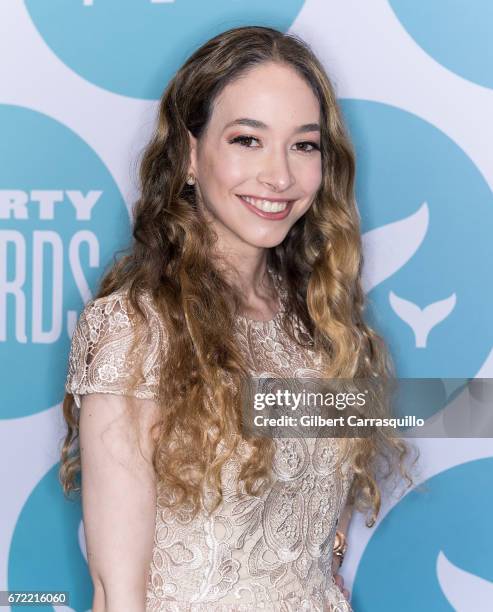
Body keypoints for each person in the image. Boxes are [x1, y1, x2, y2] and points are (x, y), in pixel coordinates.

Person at [59, 26, 416, 611]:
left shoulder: (323, 326)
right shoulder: (137, 329)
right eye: (248, 140)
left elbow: (320, 541)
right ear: (190, 155)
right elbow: (116, 593)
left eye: (304, 145)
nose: (279, 176)